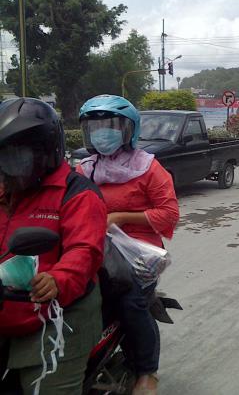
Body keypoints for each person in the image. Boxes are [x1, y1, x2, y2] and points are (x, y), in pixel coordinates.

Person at [0, 97, 107, 394]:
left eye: (15, 154)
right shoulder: (7, 190)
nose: (8, 165)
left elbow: (84, 250)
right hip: (9, 306)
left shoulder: (77, 192)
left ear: (44, 151)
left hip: (59, 313)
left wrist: (59, 279)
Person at [76, 94, 179, 395]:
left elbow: (169, 213)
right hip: (94, 246)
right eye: (94, 127)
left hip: (137, 253)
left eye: (108, 126)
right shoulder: (84, 169)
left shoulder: (148, 168)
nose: (101, 133)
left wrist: (119, 216)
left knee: (131, 303)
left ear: (127, 130)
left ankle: (147, 372)